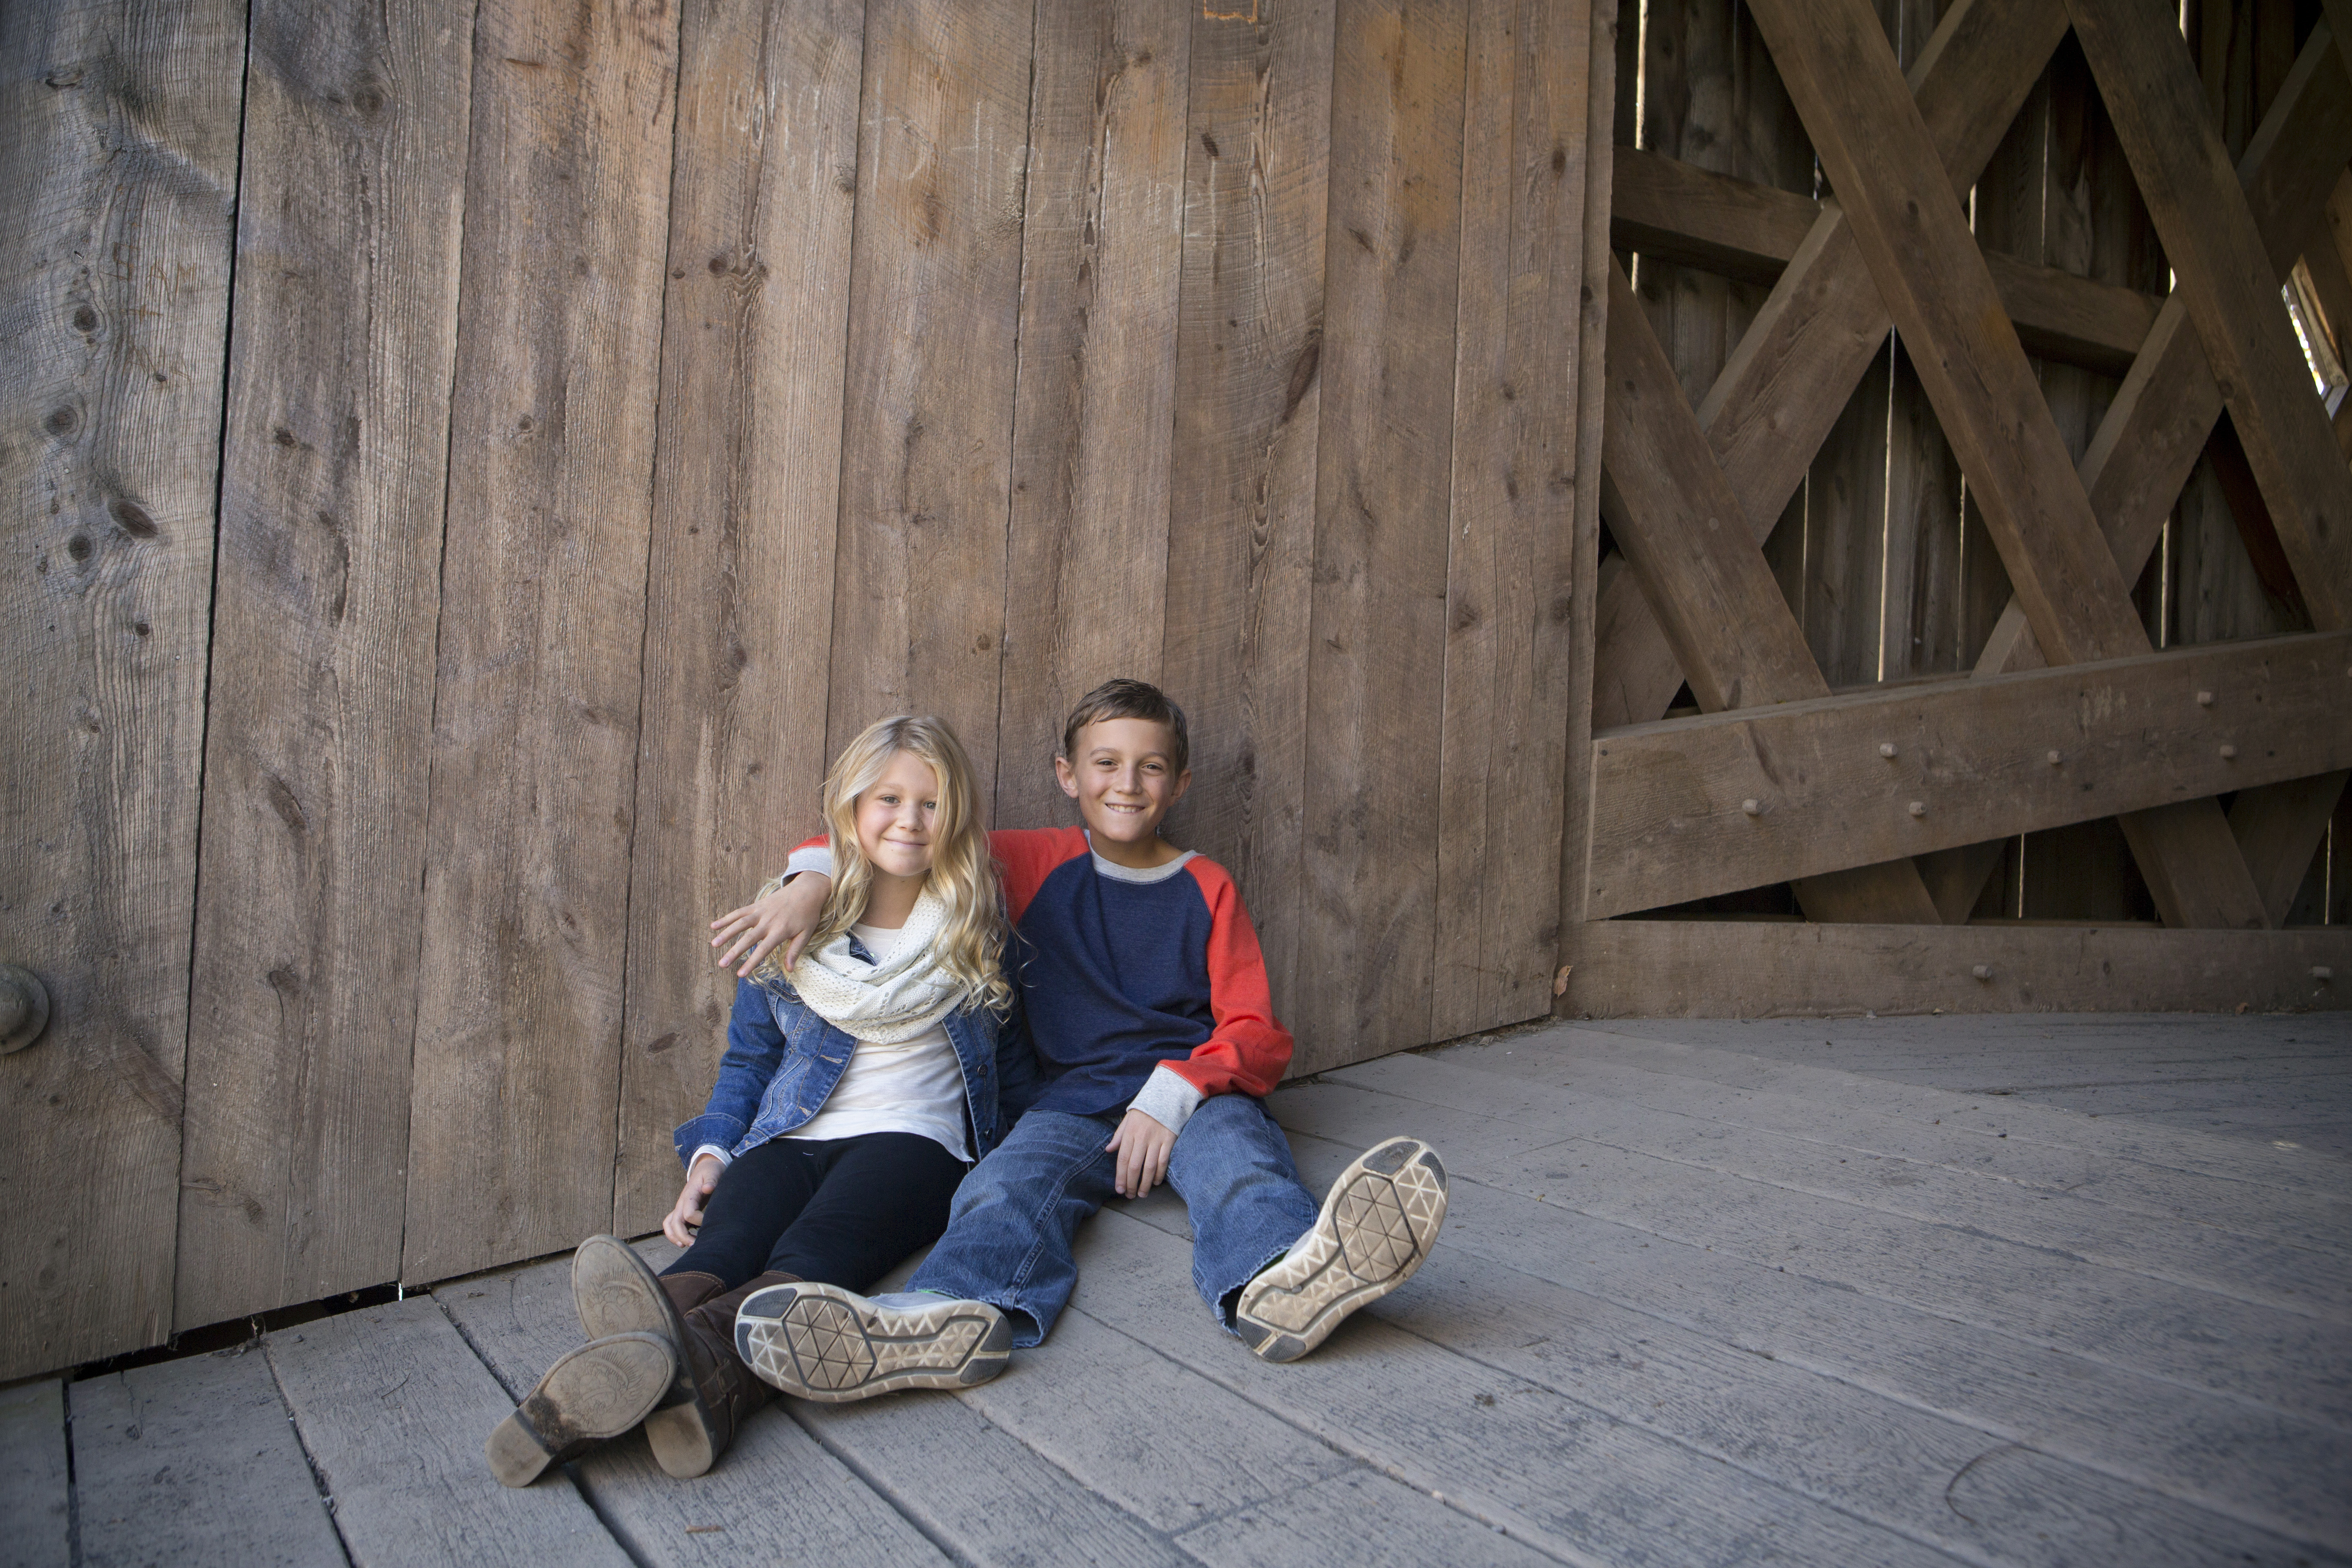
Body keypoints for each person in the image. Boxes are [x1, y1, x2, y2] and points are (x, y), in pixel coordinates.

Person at [706, 679, 1447, 1403]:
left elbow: (1257, 1031)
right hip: (1069, 1105)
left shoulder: (1208, 885)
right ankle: (938, 1319)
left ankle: (1283, 1278)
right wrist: (808, 880)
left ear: (1179, 784)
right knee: (1001, 1189)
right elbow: (898, 835)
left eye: (1150, 766)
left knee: (1242, 1168)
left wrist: (1177, 1090)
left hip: (1191, 1095)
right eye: (1105, 763)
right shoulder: (1030, 861)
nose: (1127, 784)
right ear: (1068, 775)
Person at [485, 715, 1036, 1486]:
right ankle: (691, 1392)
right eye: (888, 799)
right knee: (720, 1254)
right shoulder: (791, 925)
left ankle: (593, 1398)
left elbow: (1011, 1064)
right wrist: (711, 1154)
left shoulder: (975, 927)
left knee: (809, 1263)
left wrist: (1022, 1169)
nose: (910, 820)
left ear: (958, 817)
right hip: (789, 1137)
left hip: (914, 1145)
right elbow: (750, 1058)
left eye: (933, 803)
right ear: (849, 809)